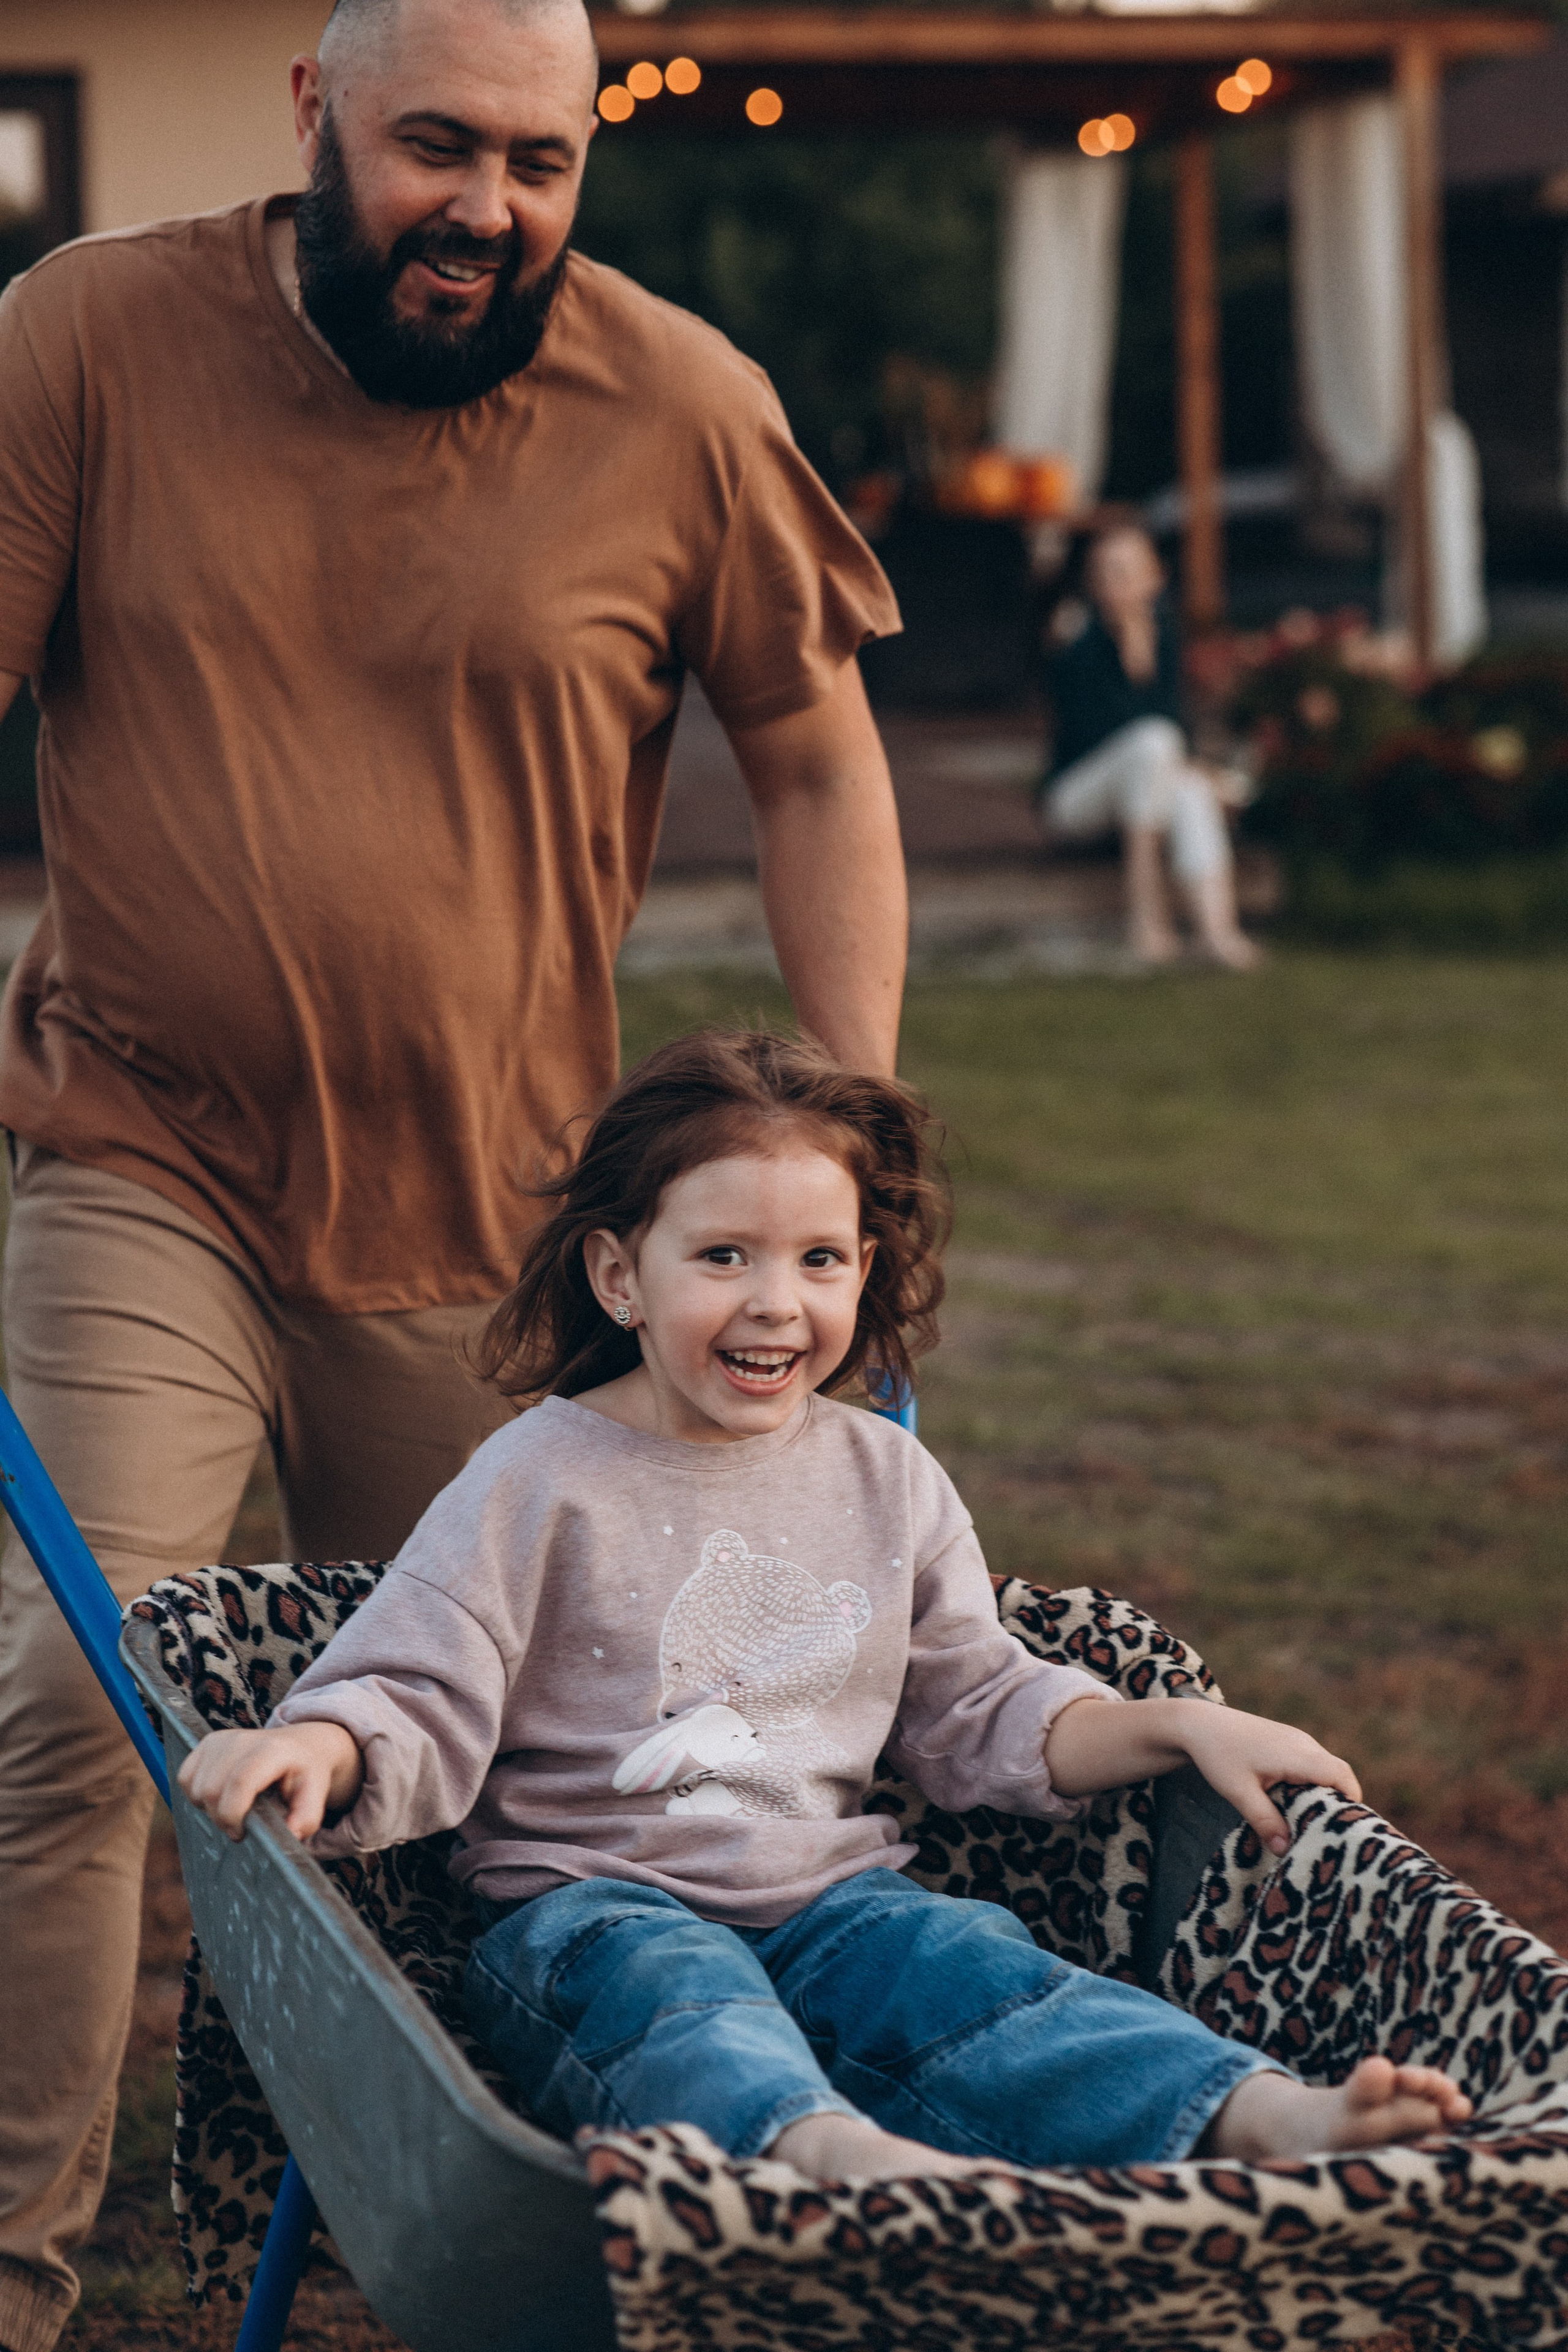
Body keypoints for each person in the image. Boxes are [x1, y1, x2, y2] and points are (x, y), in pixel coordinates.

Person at [0, 1, 908, 2342]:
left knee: (500, 1799)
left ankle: (396, 2248)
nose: (485, 210)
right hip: (143, 1160)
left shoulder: (680, 403)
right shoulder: (89, 337)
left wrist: (841, 1145)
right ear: (311, 111)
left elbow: (810, 755)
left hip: (516, 1247)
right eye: (434, 149)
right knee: (65, 1716)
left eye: (539, 159)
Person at [181, 1030, 1470, 2182]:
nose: (773, 1302)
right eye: (723, 1256)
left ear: (862, 1271)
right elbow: (423, 1665)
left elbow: (976, 1698)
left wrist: (1175, 1724)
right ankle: (834, 2166)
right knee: (681, 2002)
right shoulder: (540, 1477)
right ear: (620, 1276)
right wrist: (324, 1740)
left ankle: (1253, 2120)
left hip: (828, 1899)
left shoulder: (881, 1473)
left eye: (816, 1260)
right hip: (581, 1913)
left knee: (984, 1979)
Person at [1039, 522, 1260, 970]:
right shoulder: (1077, 647)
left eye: (1124, 571)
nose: (1113, 583)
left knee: (1192, 791)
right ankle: (1146, 919)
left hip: (1145, 790)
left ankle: (1216, 931)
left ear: (1153, 578)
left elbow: (1177, 725)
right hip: (1076, 799)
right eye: (1105, 573)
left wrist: (1201, 774)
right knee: (1154, 743)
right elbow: (1096, 735)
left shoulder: (1166, 638)